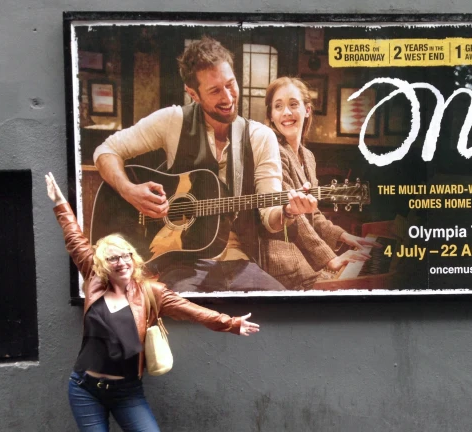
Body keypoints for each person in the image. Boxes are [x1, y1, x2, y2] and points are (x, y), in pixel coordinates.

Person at [45, 172, 259, 432]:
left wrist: (229, 324)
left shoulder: (152, 292)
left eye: (125, 255)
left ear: (134, 258)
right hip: (85, 388)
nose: (121, 261)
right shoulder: (93, 280)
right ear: (102, 263)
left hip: (127, 391)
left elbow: (190, 309)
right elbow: (75, 238)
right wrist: (60, 204)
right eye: (112, 257)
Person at [93, 37, 318, 292]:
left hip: (240, 262)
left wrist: (288, 211)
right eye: (215, 91)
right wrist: (128, 190)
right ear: (193, 94)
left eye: (230, 84)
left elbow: (271, 218)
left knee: (282, 314)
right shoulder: (173, 121)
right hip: (179, 263)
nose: (228, 97)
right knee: (183, 317)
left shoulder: (259, 137)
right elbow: (106, 150)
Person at [261, 76, 380, 289]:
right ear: (271, 114)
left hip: (306, 256)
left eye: (293, 104)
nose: (286, 112)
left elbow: (312, 214)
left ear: (307, 110)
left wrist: (344, 235)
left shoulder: (308, 156)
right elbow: (296, 216)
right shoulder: (273, 153)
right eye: (278, 106)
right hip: (283, 260)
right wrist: (329, 259)